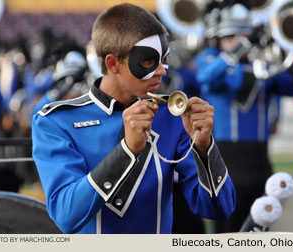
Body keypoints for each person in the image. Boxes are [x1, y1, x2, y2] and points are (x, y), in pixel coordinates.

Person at [31, 3, 236, 234]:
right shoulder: (55, 121)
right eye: (149, 60)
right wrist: (127, 150)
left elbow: (219, 209)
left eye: (164, 59)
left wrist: (204, 147)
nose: (162, 70)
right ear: (112, 63)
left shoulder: (171, 117)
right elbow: (66, 216)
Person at [194, 4, 293, 233]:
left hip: (260, 161)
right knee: (226, 232)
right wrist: (241, 48)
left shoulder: (264, 66)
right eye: (230, 37)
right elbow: (206, 77)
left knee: (263, 228)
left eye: (243, 36)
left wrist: (283, 53)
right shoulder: (210, 59)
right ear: (218, 39)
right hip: (225, 160)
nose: (236, 41)